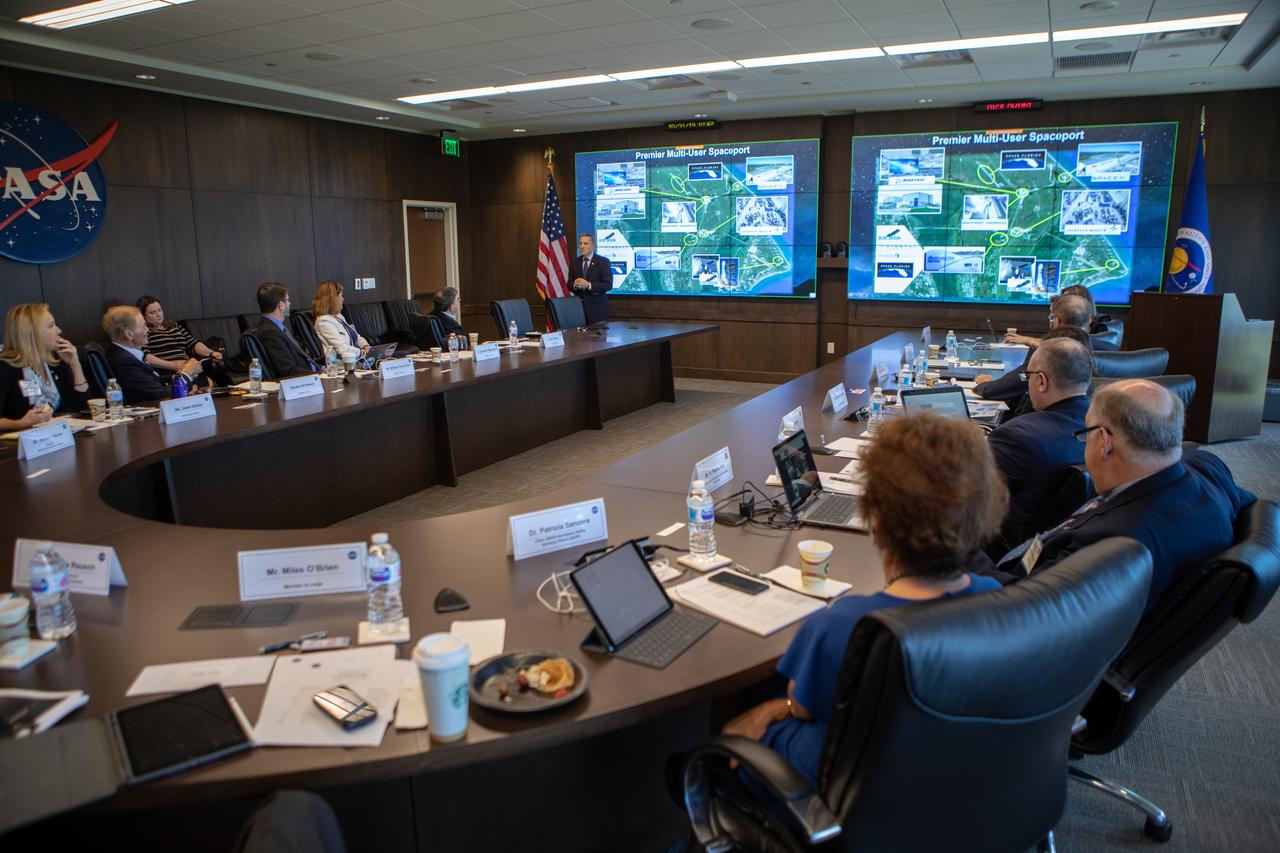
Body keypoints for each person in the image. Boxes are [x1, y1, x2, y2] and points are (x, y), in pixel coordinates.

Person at [720, 414, 1005, 788]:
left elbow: (803, 706)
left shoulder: (847, 624)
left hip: (839, 788)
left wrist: (780, 706)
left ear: (874, 516)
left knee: (730, 730)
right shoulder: (996, 599)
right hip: (958, 783)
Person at [994, 379, 1256, 611]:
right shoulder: (1208, 467)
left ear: (1103, 442)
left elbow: (1022, 607)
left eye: (1085, 435)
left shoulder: (1108, 543)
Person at [987, 338, 1092, 549]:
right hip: (1065, 548)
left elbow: (968, 494)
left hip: (1002, 549)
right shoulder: (1106, 428)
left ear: (1041, 381)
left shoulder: (1018, 436)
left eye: (1027, 376)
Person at [974, 294, 1093, 401]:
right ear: (1090, 321)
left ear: (1056, 321)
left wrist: (987, 386)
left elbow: (1017, 382)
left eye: (1051, 317)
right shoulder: (1096, 349)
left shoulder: (1052, 350)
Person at [0, 303, 91, 431]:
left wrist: (75, 365)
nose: (59, 330)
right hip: (19, 445)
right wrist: (20, 423)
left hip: (56, 439)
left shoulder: (54, 363)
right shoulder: (5, 367)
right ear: (31, 333)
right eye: (51, 326)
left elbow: (83, 408)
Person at [103, 305, 202, 403]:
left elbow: (154, 381)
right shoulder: (124, 362)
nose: (147, 329)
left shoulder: (122, 353)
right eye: (143, 326)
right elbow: (159, 396)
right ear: (129, 334)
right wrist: (186, 374)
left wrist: (184, 376)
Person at [1005, 285, 1117, 350]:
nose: (1061, 302)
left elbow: (1062, 346)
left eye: (1065, 299)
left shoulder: (1070, 347)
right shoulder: (1109, 347)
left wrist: (1029, 340)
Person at [254, 282, 316, 377]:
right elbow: (287, 370)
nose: (289, 303)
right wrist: (318, 374)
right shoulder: (270, 333)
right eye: (287, 300)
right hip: (304, 381)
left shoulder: (276, 328)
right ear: (281, 305)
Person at [311, 280, 369, 363]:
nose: (343, 299)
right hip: (340, 367)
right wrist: (362, 352)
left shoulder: (339, 316)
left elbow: (356, 336)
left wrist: (365, 345)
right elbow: (341, 348)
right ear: (332, 300)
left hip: (355, 361)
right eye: (341, 296)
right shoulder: (323, 322)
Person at [567, 233, 613, 325]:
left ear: (593, 245)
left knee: (598, 338)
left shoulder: (603, 262)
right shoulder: (575, 262)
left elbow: (608, 285)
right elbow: (569, 284)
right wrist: (575, 285)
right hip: (578, 311)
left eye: (585, 243)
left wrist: (589, 285)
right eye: (580, 243)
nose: (582, 246)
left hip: (597, 311)